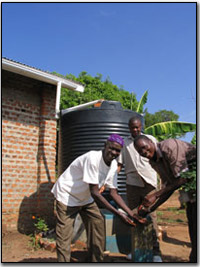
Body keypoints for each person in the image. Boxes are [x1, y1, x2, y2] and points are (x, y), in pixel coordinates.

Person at [51, 134, 144, 262]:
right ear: (105, 145)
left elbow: (114, 193)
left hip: (85, 197)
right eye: (111, 148)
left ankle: (95, 260)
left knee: (98, 222)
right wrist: (118, 214)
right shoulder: (93, 158)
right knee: (65, 234)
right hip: (67, 196)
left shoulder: (113, 166)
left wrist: (130, 214)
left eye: (117, 150)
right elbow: (95, 192)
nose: (114, 152)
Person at [134, 135, 197, 262]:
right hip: (191, 191)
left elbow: (183, 178)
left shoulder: (170, 147)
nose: (144, 153)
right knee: (193, 224)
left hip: (194, 182)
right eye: (140, 151)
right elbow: (170, 186)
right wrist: (150, 209)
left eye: (144, 148)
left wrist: (155, 194)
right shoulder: (154, 162)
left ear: (151, 142)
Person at [117, 116, 161, 261]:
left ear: (141, 126)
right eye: (132, 127)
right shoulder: (125, 143)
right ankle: (135, 249)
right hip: (132, 183)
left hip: (149, 182)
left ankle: (155, 252)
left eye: (137, 127)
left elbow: (158, 158)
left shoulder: (150, 139)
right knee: (134, 215)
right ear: (129, 128)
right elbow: (120, 165)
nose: (135, 130)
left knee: (151, 215)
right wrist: (109, 178)